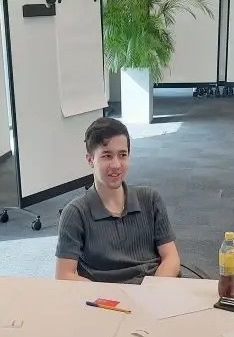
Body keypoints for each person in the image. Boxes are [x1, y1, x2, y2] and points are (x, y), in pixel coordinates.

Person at [55, 117, 181, 283]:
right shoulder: (76, 213)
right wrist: (107, 296)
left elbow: (171, 257)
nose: (116, 165)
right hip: (104, 295)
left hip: (153, 288)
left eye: (122, 155)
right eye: (107, 156)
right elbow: (64, 275)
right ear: (90, 160)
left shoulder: (150, 199)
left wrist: (152, 291)